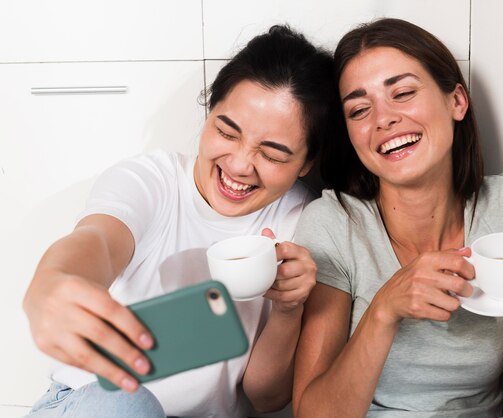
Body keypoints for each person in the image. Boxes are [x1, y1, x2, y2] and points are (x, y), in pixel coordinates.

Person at [292, 18, 503, 417]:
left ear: (457, 101)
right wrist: (384, 309)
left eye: (402, 93)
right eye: (359, 109)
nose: (383, 119)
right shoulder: (334, 225)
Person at [22, 25, 341, 418]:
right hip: (92, 400)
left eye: (273, 155)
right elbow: (99, 241)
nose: (240, 166)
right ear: (209, 115)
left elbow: (266, 399)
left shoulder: (302, 221)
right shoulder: (152, 181)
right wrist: (53, 280)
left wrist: (289, 310)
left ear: (306, 162)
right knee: (128, 405)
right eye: (227, 132)